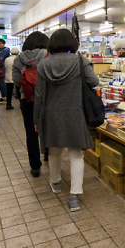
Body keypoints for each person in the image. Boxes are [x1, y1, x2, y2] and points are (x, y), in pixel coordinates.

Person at [35, 29, 99, 212]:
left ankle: (55, 183)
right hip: (75, 113)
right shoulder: (80, 61)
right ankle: (74, 196)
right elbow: (94, 82)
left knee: (54, 151)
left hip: (51, 114)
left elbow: (39, 96)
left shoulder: (43, 65)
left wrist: (36, 119)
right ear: (73, 43)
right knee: (76, 154)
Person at [13, 32, 49, 177]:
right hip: (46, 99)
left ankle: (35, 167)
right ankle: (48, 154)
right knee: (48, 128)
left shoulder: (18, 59)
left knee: (31, 132)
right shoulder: (48, 55)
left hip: (26, 99)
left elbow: (16, 81)